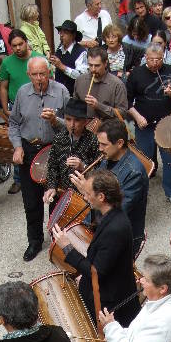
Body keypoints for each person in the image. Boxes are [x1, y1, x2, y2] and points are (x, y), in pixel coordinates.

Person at [52, 170, 140, 327]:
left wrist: (67, 248)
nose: (85, 197)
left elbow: (96, 272)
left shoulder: (115, 229)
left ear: (101, 197)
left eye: (87, 193)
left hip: (111, 303)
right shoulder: (112, 214)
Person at [8, 56, 69, 261]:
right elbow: (14, 123)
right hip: (29, 150)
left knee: (56, 199)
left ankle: (56, 242)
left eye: (43, 74)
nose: (39, 78)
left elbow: (73, 126)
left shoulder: (61, 91)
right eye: (34, 74)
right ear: (28, 75)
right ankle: (34, 241)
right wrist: (17, 147)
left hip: (54, 149)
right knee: (31, 201)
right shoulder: (22, 92)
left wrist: (55, 120)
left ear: (49, 72)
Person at [126, 44, 171, 209]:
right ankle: (139, 192)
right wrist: (137, 117)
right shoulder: (136, 74)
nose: (154, 63)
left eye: (158, 59)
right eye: (151, 59)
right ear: (145, 57)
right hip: (144, 124)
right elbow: (127, 101)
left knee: (169, 159)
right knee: (143, 160)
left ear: (163, 57)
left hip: (166, 123)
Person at [84, 118, 149, 255]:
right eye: (99, 144)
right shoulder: (107, 158)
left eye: (104, 144)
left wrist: (89, 193)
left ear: (119, 143)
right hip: (104, 228)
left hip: (122, 238)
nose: (100, 148)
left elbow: (115, 212)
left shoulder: (134, 173)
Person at [0, 29, 39, 195]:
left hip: (36, 105)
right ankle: (18, 179)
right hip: (16, 107)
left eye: (20, 44)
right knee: (17, 142)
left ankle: (40, 174)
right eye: (14, 45)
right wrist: (5, 108)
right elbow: (3, 86)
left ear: (26, 42)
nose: (17, 48)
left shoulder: (38, 59)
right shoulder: (7, 63)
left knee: (35, 141)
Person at [43, 97, 100, 208]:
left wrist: (83, 166)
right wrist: (51, 187)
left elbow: (101, 172)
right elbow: (53, 166)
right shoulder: (59, 138)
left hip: (84, 197)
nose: (72, 125)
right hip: (61, 196)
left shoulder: (93, 140)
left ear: (85, 121)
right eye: (68, 119)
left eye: (77, 120)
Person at [73, 46, 128, 126]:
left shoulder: (117, 84)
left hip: (107, 130)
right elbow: (74, 106)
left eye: (97, 65)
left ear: (105, 63)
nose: (93, 69)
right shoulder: (80, 80)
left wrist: (98, 106)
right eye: (90, 65)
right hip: (83, 128)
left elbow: (122, 114)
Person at [49, 20, 88, 95]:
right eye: (60, 32)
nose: (61, 35)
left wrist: (62, 66)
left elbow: (81, 76)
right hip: (59, 93)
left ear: (73, 35)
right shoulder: (59, 50)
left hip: (74, 95)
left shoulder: (81, 52)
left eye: (65, 32)